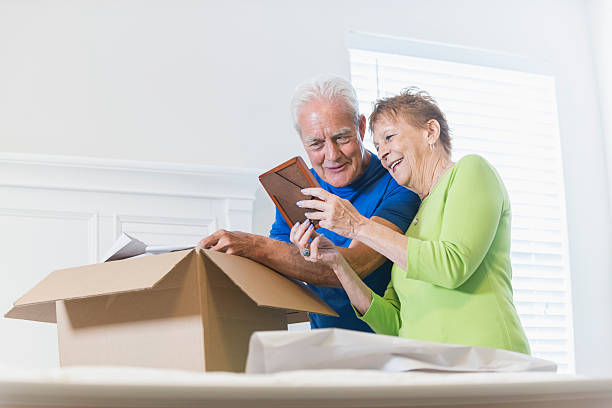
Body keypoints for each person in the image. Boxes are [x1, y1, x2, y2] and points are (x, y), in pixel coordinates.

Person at [291, 88, 530, 354]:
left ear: (430, 131)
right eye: (378, 146)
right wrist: (338, 264)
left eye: (390, 137)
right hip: (429, 374)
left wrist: (357, 225)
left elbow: (452, 265)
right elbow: (392, 322)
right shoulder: (414, 219)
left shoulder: (470, 170)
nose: (382, 153)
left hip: (489, 364)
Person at [197, 76, 420, 332]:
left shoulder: (398, 182)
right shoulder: (297, 187)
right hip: (325, 341)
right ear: (302, 141)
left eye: (342, 138)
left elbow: (358, 265)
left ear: (360, 127)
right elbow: (277, 269)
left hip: (390, 339)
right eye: (316, 143)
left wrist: (253, 245)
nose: (332, 155)